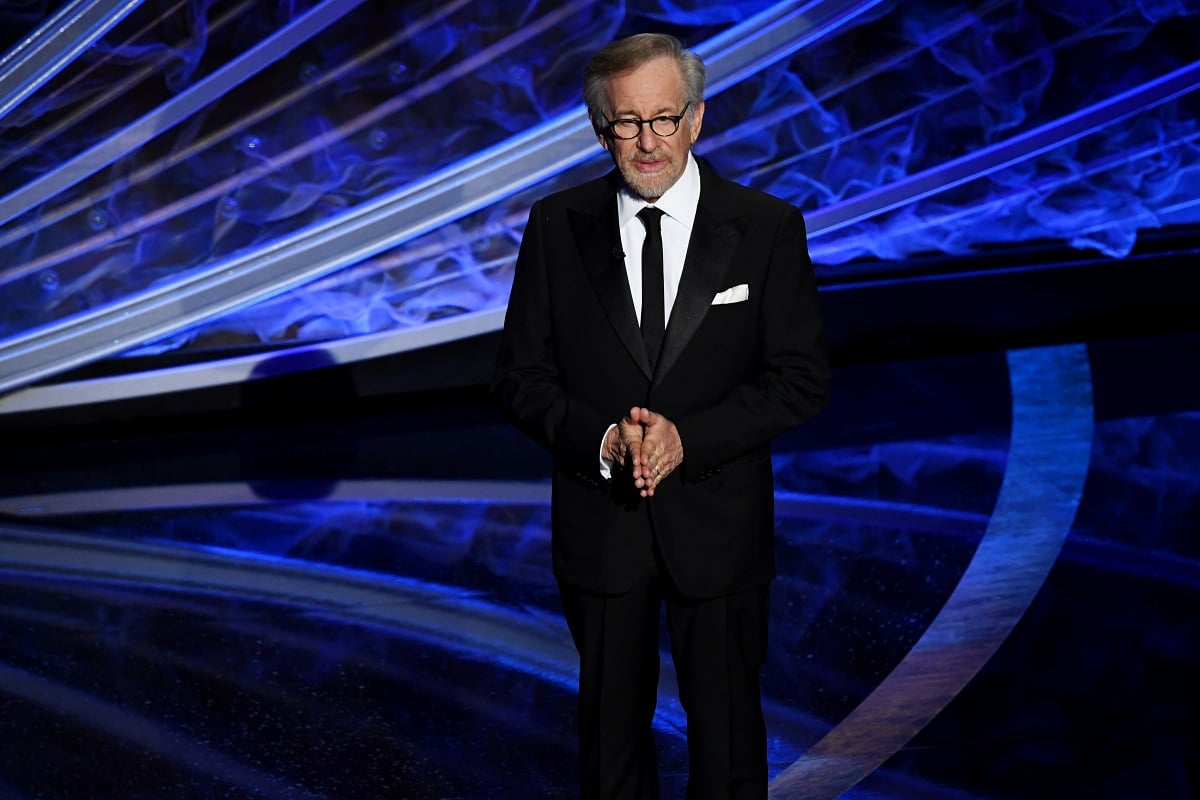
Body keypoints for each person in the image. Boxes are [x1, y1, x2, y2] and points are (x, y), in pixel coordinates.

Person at [491, 32, 830, 800]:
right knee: (610, 750)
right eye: (626, 124)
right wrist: (606, 440)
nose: (647, 143)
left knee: (730, 743)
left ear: (697, 119)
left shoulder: (767, 227)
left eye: (664, 119)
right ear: (600, 128)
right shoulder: (556, 227)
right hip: (601, 528)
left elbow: (800, 380)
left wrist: (690, 439)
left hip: (720, 530)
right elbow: (519, 377)